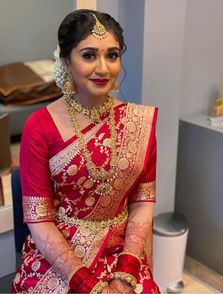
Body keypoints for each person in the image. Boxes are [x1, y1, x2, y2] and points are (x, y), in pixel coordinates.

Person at [11, 9, 160, 294]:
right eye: (89, 55)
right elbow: (40, 220)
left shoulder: (138, 123)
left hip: (121, 252)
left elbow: (143, 200)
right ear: (66, 61)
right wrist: (88, 285)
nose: (103, 68)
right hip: (61, 252)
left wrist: (126, 271)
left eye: (112, 55)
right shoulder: (40, 127)